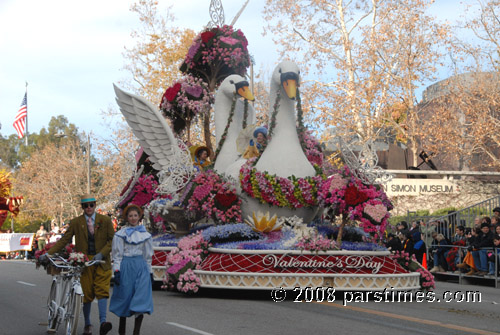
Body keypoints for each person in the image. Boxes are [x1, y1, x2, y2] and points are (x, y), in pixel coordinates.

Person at [44, 194, 114, 335]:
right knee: (86, 293)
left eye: (91, 205)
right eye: (85, 206)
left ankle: (103, 322)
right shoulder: (76, 222)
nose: (88, 208)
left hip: (102, 261)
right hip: (84, 262)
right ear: (82, 207)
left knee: (102, 291)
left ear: (95, 205)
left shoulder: (105, 220)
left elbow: (112, 240)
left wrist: (102, 253)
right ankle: (88, 324)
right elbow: (65, 240)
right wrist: (48, 253)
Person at [110, 204, 153, 335]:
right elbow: (117, 256)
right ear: (127, 218)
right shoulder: (120, 234)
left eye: (135, 215)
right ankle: (121, 331)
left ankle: (136, 332)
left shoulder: (146, 235)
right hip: (126, 267)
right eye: (130, 216)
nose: (133, 218)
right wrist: (116, 271)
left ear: (139, 216)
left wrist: (150, 272)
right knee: (124, 298)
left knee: (141, 298)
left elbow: (147, 256)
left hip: (141, 268)